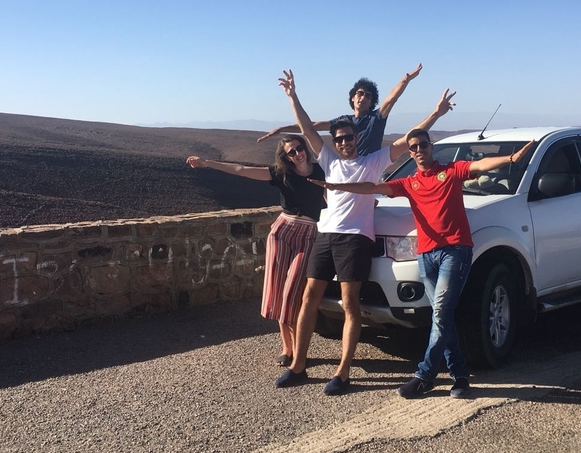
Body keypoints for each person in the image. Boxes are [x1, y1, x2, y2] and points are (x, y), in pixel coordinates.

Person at [312, 129, 535, 399]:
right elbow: (373, 188)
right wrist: (338, 187)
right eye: (414, 146)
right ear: (410, 152)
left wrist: (510, 158)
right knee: (442, 315)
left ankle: (424, 375)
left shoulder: (451, 171)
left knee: (440, 312)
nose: (419, 149)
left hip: (455, 250)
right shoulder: (409, 183)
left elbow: (480, 165)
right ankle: (460, 377)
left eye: (423, 145)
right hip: (425, 254)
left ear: (431, 147)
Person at [274, 69, 456, 396]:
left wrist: (435, 114)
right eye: (339, 138)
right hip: (326, 235)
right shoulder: (328, 159)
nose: (343, 142)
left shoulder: (373, 161)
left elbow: (408, 140)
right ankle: (298, 366)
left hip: (355, 238)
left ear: (357, 138)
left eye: (348, 137)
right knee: (309, 298)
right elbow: (304, 127)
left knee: (349, 304)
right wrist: (292, 96)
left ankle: (343, 373)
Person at [185, 134, 325, 367]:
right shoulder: (282, 173)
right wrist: (207, 162)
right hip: (282, 231)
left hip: (308, 234)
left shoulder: (320, 171)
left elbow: (337, 188)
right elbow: (241, 169)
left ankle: (300, 351)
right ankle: (287, 347)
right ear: (286, 156)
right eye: (291, 152)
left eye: (300, 148)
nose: (297, 153)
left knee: (293, 293)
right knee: (278, 289)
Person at [257, 64, 423, 155]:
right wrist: (281, 129)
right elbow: (311, 126)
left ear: (372, 101)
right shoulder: (344, 122)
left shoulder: (375, 119)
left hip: (370, 170)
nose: (363, 97)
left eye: (368, 96)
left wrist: (404, 81)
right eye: (360, 93)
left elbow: (390, 100)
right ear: (352, 97)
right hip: (348, 169)